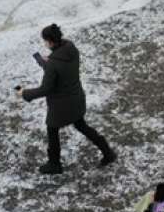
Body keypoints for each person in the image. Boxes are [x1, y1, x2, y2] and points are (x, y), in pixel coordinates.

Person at [19, 23, 115, 174]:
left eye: (45, 41)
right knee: (82, 126)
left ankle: (54, 164)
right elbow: (61, 70)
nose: (45, 44)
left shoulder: (54, 63)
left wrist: (24, 93)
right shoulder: (71, 49)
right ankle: (108, 152)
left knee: (52, 129)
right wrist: (47, 63)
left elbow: (46, 88)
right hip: (76, 99)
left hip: (61, 106)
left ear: (50, 41)